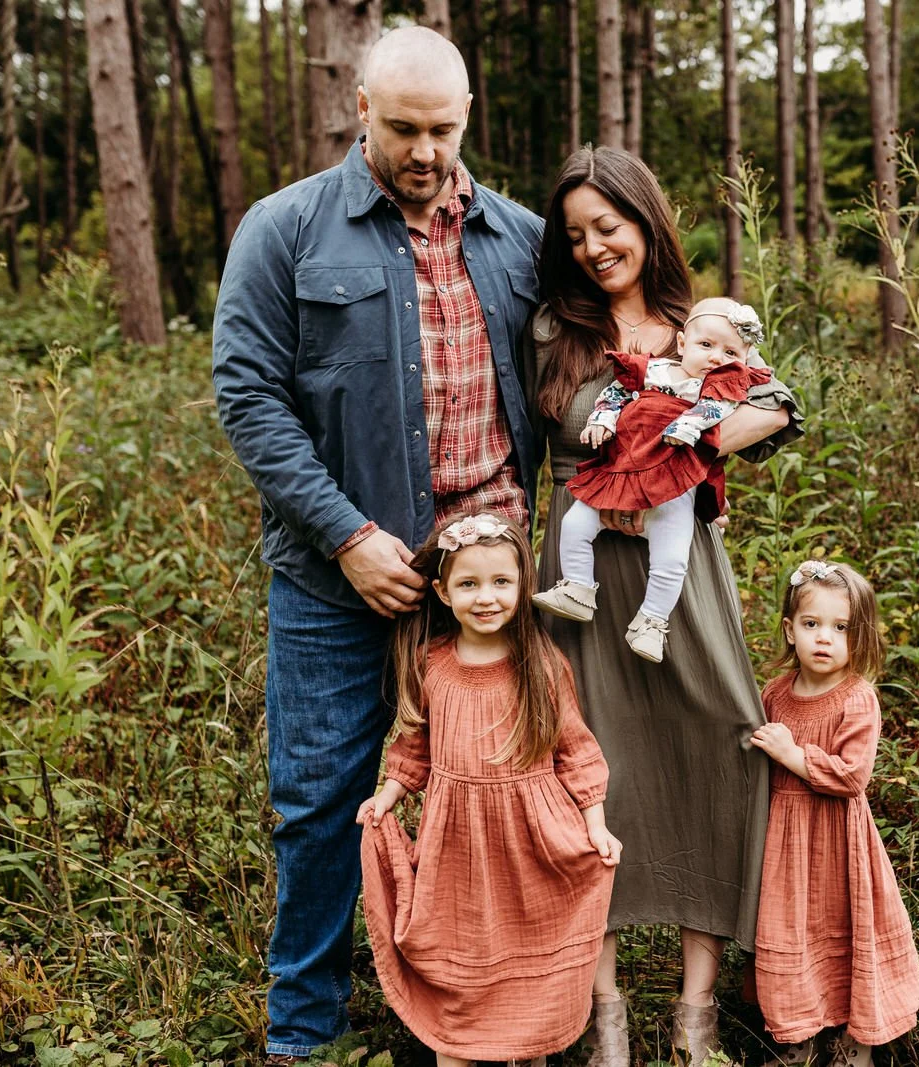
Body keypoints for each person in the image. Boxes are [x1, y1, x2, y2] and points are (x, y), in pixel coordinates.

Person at [210, 27, 543, 1063]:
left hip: (481, 579)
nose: (425, 150)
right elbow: (246, 393)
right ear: (360, 108)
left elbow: (600, 361)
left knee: (474, 802)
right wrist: (349, 535)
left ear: (468, 114)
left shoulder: (522, 238)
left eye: (443, 128)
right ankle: (302, 1027)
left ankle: (445, 1016)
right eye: (403, 127)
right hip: (331, 576)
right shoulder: (286, 229)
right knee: (319, 801)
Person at [531, 144, 804, 1067]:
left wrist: (687, 448)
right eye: (574, 235)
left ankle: (695, 1014)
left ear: (646, 223)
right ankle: (603, 1010)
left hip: (679, 573)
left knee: (722, 742)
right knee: (584, 767)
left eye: (607, 227)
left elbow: (779, 406)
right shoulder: (550, 332)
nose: (593, 248)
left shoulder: (704, 326)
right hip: (580, 573)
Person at [358, 514, 620, 1066]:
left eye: (501, 582)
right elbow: (414, 748)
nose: (486, 598)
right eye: (469, 584)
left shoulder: (540, 665)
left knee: (527, 938)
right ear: (442, 591)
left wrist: (595, 823)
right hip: (456, 841)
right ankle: (461, 1042)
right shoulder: (431, 665)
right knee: (462, 946)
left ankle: (526, 1043)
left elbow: (576, 748)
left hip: (533, 835)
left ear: (523, 585)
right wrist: (387, 797)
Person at [749, 561, 919, 1067]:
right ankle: (798, 1034)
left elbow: (852, 777)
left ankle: (856, 1041)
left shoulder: (857, 699)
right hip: (785, 840)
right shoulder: (775, 695)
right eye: (811, 624)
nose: (824, 639)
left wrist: (793, 756)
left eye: (841, 627)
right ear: (789, 629)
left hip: (837, 841)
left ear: (860, 634)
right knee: (790, 930)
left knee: (845, 930)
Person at [534, 297, 773, 662]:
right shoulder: (658, 371)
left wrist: (686, 425)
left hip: (673, 489)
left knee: (672, 557)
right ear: (682, 344)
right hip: (622, 471)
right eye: (706, 346)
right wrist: (603, 420)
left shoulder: (719, 390)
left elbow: (711, 413)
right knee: (576, 523)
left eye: (730, 353)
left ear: (743, 361)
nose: (715, 358)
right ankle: (578, 588)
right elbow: (615, 392)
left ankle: (651, 621)